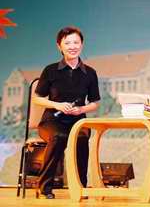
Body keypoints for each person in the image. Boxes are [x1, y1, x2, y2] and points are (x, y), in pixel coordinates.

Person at [34, 26, 100, 199]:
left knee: (82, 138)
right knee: (58, 137)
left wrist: (81, 109)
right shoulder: (50, 70)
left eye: (76, 42)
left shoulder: (90, 73)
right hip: (52, 121)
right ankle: (45, 187)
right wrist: (57, 105)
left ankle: (80, 187)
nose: (72, 46)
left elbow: (95, 103)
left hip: (78, 121)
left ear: (82, 45)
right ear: (59, 46)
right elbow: (37, 98)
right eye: (67, 42)